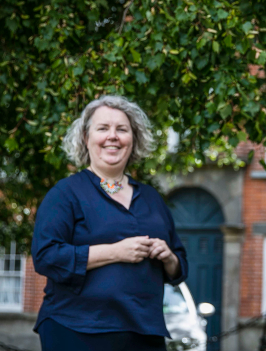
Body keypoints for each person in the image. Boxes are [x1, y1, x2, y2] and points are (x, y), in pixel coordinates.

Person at [32, 95, 188, 351]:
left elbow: (180, 267)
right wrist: (116, 252)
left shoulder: (151, 198)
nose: (112, 136)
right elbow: (45, 256)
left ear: (133, 139)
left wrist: (168, 257)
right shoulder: (65, 193)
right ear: (86, 138)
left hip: (144, 332)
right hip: (77, 329)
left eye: (122, 129)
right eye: (103, 128)